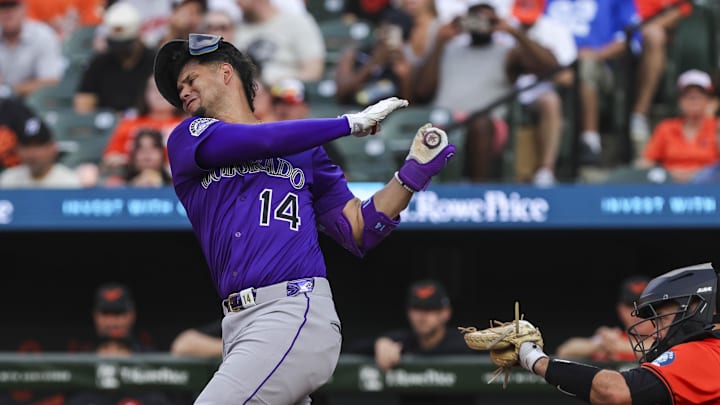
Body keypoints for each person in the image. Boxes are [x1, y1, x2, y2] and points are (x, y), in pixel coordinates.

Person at [152, 33, 455, 404]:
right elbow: (261, 142)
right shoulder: (188, 137)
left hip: (292, 310)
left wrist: (410, 177)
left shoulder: (306, 153)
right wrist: (348, 124)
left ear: (225, 72)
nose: (182, 92)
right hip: (237, 325)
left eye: (190, 80)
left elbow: (358, 230)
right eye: (179, 87)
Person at [514, 262, 720, 404]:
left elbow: (613, 392)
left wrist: (534, 359)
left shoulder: (703, 352)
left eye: (663, 319)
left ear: (697, 309)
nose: (659, 332)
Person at [544, 0, 640, 166]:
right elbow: (535, 29)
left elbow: (631, 39)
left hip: (599, 66)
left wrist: (596, 54)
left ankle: (590, 141)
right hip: (551, 67)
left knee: (585, 66)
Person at [374, 279, 480, 405]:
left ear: (446, 313)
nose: (422, 316)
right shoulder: (403, 341)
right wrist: (380, 343)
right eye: (417, 309)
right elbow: (353, 347)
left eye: (430, 309)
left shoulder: (465, 343)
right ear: (408, 312)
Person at [636, 69, 718, 183]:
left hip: (709, 188)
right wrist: (665, 174)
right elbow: (646, 162)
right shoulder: (666, 128)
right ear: (680, 101)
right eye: (688, 96)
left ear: (708, 100)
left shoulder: (716, 127)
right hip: (670, 187)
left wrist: (696, 174)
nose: (693, 101)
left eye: (699, 96)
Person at [74, 1, 156, 114]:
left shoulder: (154, 61)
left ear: (138, 37)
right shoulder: (99, 63)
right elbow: (83, 104)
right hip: (107, 125)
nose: (120, 50)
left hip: (145, 123)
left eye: (125, 45)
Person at [630, 0, 694, 144]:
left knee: (655, 35)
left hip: (652, 36)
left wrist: (651, 27)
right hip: (618, 31)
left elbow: (681, 9)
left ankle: (639, 114)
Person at [555, 275, 651, 362]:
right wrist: (599, 345)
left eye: (643, 306)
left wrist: (617, 345)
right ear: (620, 310)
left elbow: (657, 350)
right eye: (630, 306)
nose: (637, 312)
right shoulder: (612, 338)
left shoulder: (663, 337)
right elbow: (564, 351)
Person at [233, 0, 326, 84]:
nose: (236, 2)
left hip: (287, 94)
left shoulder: (297, 22)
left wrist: (278, 83)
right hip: (246, 93)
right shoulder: (233, 28)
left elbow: (313, 72)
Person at [0, 0, 65, 98]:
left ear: (24, 9)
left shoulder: (42, 34)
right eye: (2, 7)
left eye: (12, 6)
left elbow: (51, 81)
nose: (8, 12)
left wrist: (10, 89)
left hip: (35, 102)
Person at [0, 115, 82, 188]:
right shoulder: (7, 180)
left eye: (38, 146)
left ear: (52, 147)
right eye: (27, 146)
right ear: (18, 149)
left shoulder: (70, 182)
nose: (32, 153)